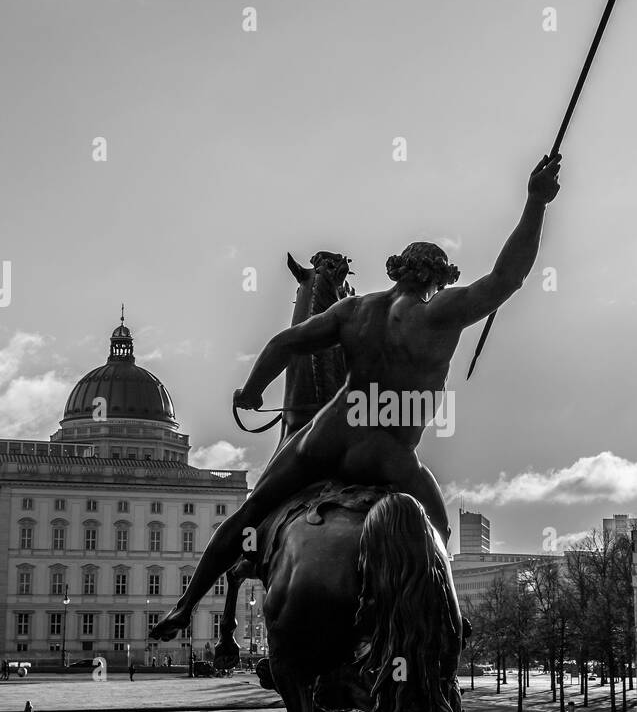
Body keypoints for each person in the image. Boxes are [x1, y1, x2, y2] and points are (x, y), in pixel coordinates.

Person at [152, 152, 562, 641]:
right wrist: (536, 203)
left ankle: (185, 603)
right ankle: (448, 614)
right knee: (437, 525)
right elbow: (506, 278)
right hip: (385, 450)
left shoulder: (355, 310)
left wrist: (252, 390)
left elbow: (286, 342)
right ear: (438, 278)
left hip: (326, 433)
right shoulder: (440, 313)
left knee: (251, 512)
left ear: (397, 271)